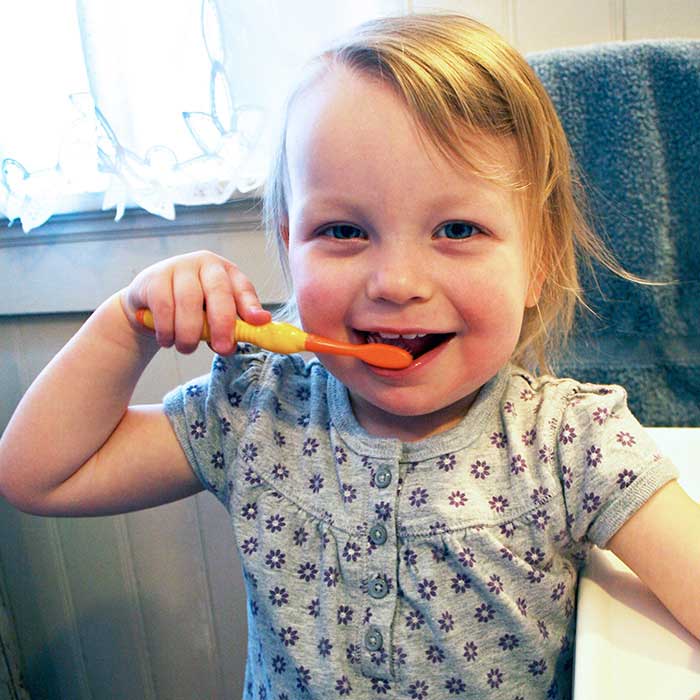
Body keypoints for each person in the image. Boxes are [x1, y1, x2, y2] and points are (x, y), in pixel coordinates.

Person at [0, 13, 698, 700]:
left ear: (538, 258)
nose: (396, 283)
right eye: (342, 230)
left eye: (457, 229)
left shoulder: (571, 444)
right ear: (290, 242)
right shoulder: (259, 409)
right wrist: (130, 324)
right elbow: (40, 477)